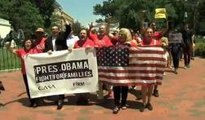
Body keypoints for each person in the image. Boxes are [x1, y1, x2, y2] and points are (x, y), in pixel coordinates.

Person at [6, 38, 42, 108]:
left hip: (34, 72)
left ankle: (36, 101)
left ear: (31, 43)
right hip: (25, 72)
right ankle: (32, 101)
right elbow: (12, 51)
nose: (28, 44)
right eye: (26, 42)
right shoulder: (21, 51)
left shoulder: (35, 50)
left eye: (29, 42)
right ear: (24, 44)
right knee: (28, 87)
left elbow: (42, 56)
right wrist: (8, 47)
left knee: (35, 86)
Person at [112, 28, 138, 114]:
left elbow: (137, 51)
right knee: (116, 86)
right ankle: (116, 104)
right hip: (117, 67)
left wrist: (130, 45)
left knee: (124, 86)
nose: (120, 36)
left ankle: (123, 103)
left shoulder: (131, 43)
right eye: (119, 34)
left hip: (126, 68)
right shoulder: (116, 43)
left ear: (126, 35)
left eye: (122, 34)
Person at [139, 27, 161, 112]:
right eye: (147, 32)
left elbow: (161, 52)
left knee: (151, 87)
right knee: (143, 87)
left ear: (153, 33)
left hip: (153, 68)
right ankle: (143, 103)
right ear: (144, 33)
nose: (149, 33)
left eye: (151, 32)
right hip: (143, 68)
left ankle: (149, 102)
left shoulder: (156, 42)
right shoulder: (140, 43)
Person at [89, 23, 113, 99]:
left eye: (103, 28)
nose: (101, 29)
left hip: (105, 61)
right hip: (96, 60)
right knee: (98, 78)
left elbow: (111, 47)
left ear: (105, 30)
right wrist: (90, 27)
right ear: (98, 30)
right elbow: (89, 34)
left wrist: (101, 46)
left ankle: (110, 92)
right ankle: (100, 94)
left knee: (106, 78)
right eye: (100, 28)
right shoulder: (95, 37)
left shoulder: (107, 38)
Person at [74, 28, 95, 105]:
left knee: (86, 81)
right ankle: (79, 97)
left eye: (84, 33)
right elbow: (73, 53)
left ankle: (86, 98)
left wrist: (91, 49)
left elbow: (94, 52)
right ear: (79, 34)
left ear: (86, 35)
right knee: (79, 81)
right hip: (78, 65)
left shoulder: (91, 42)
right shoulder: (76, 43)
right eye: (81, 33)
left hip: (87, 65)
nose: (82, 35)